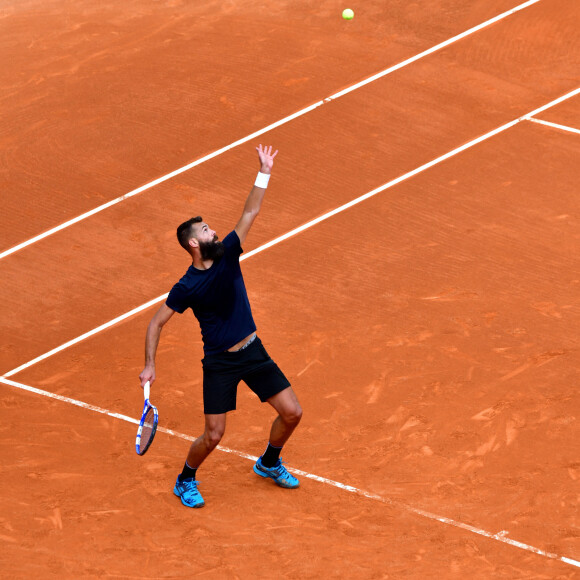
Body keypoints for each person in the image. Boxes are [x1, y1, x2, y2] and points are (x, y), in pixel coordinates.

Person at [139, 145, 302, 508]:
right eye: (207, 229)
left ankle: (269, 462)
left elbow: (251, 210)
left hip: (253, 351)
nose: (215, 232)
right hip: (220, 363)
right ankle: (185, 479)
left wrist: (265, 171)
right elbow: (156, 322)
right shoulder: (186, 286)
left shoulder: (228, 253)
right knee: (213, 435)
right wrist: (150, 364)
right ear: (195, 243)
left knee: (292, 413)